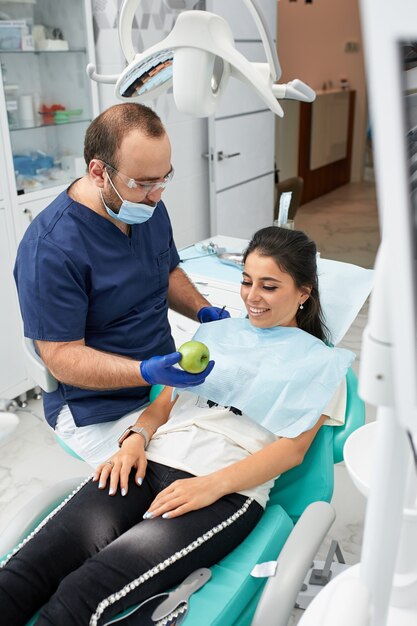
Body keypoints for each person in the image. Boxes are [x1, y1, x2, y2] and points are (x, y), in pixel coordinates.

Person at [1, 226, 354, 626]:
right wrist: (134, 440)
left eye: (269, 286)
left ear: (304, 293)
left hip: (223, 492)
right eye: (246, 281)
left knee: (83, 594)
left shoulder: (323, 366)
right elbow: (163, 405)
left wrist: (211, 485)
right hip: (148, 462)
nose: (252, 297)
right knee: (24, 571)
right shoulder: (218, 334)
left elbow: (291, 451)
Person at [13, 102, 228, 468]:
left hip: (163, 382)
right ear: (98, 172)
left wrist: (203, 310)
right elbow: (62, 358)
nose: (158, 195)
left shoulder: (145, 206)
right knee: (178, 485)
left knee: (237, 446)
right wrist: (142, 371)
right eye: (143, 183)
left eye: (164, 179)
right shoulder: (49, 249)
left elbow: (167, 269)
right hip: (95, 408)